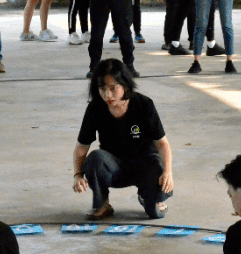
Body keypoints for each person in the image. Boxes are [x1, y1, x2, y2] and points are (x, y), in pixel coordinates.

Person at [73, 59, 173, 219]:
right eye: (102, 89)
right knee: (95, 158)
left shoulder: (144, 104)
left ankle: (150, 197)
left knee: (155, 213)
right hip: (114, 166)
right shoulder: (95, 108)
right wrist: (78, 175)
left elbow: (162, 144)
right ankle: (102, 204)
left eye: (113, 89)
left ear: (125, 86)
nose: (107, 95)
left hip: (144, 164)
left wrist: (168, 172)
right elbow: (81, 147)